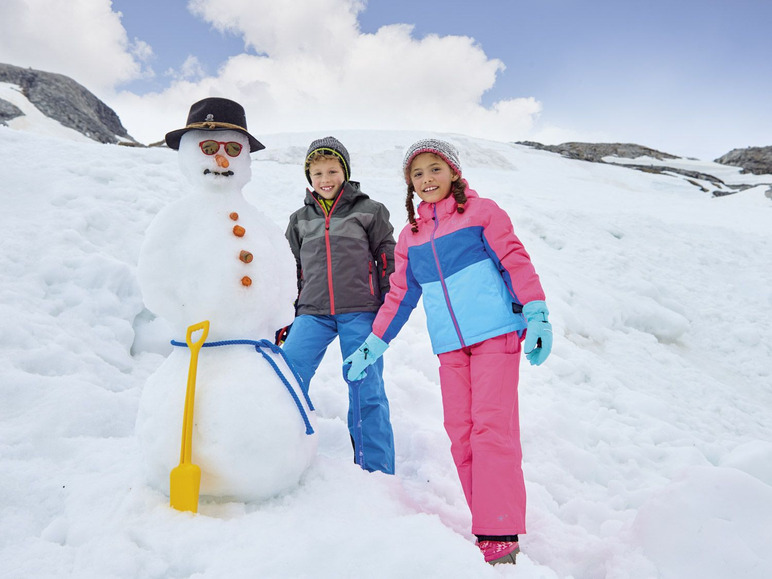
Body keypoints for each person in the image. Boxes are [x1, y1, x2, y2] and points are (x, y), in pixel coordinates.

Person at [343, 139, 553, 565]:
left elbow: (514, 259)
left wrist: (536, 313)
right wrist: (374, 342)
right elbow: (400, 295)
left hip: (495, 334)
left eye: (434, 168)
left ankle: (500, 531)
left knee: (491, 429)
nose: (426, 179)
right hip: (450, 348)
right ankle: (486, 522)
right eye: (417, 174)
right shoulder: (411, 236)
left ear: (453, 171)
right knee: (461, 431)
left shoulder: (483, 213)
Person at [282, 136, 397, 475]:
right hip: (312, 313)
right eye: (317, 173)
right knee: (286, 377)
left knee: (366, 387)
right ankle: (282, 456)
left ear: (345, 172)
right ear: (309, 177)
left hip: (359, 310)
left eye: (332, 170)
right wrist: (283, 314)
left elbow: (387, 257)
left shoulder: (369, 211)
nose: (325, 179)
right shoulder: (299, 220)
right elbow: (289, 270)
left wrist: (389, 305)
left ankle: (376, 473)